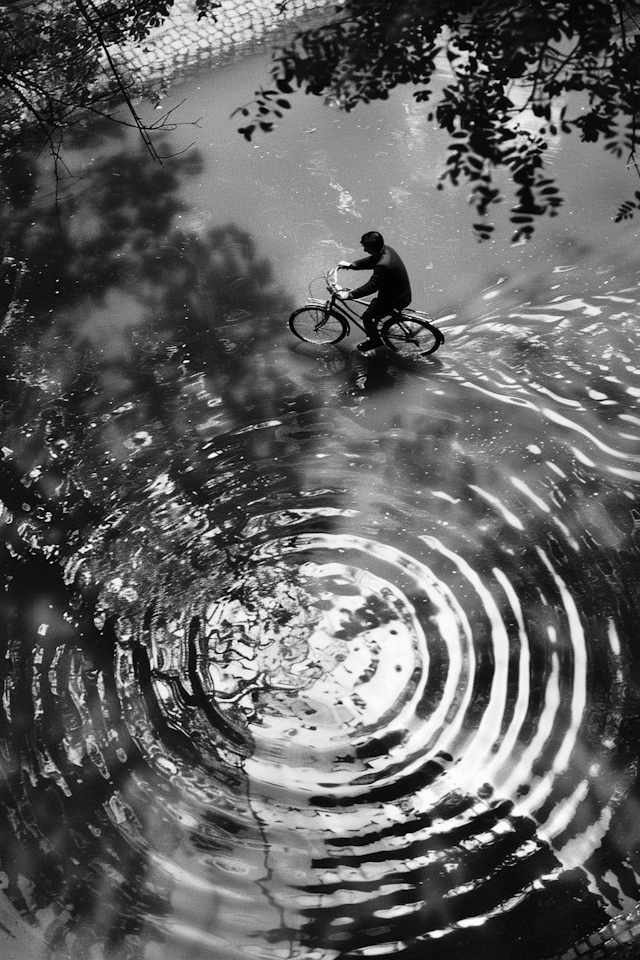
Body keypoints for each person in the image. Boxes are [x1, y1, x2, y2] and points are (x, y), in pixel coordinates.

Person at [337, 231, 412, 352]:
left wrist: (350, 294)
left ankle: (375, 341)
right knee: (374, 308)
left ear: (373, 247)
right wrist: (352, 265)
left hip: (395, 299)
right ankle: (377, 328)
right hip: (400, 292)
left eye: (366, 247)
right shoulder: (386, 250)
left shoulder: (384, 265)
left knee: (367, 316)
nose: (365, 250)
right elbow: (372, 260)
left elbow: (372, 286)